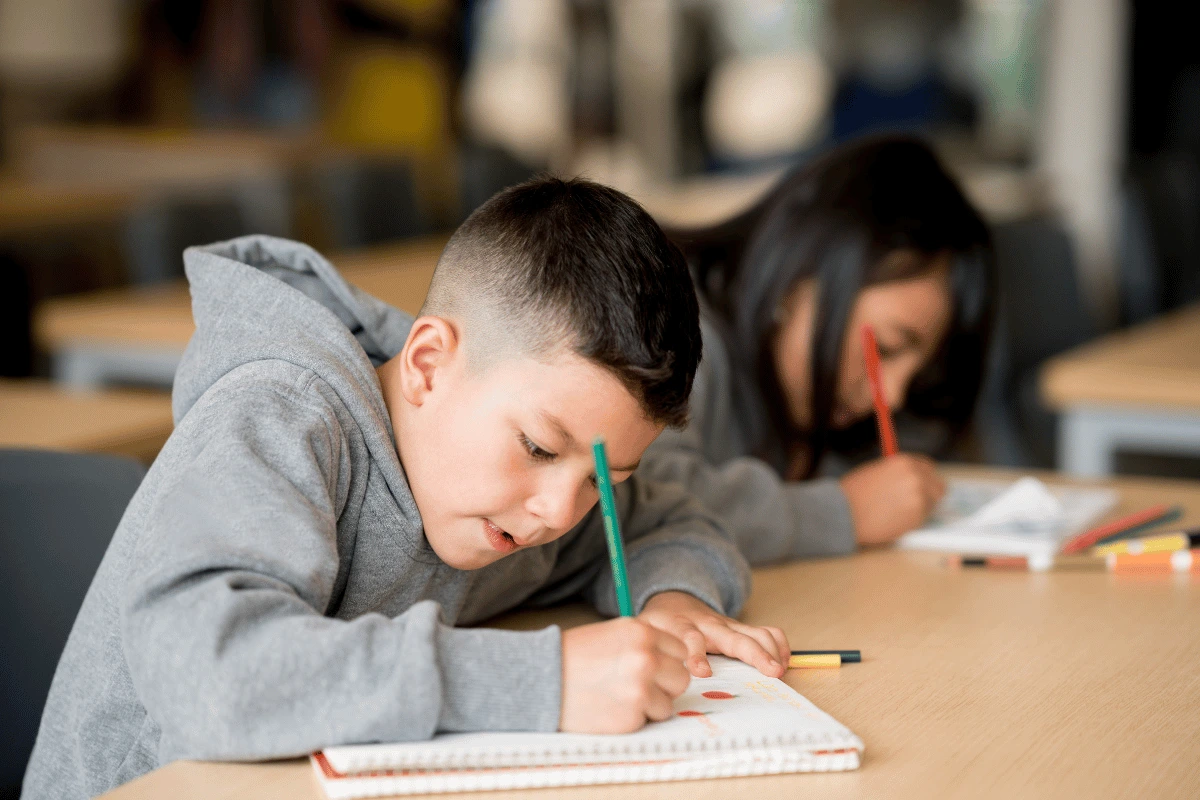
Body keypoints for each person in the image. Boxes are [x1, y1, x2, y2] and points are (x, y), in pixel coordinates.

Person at [23, 178, 790, 800]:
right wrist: (541, 681)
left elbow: (670, 519)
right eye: (538, 448)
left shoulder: (514, 495)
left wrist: (673, 599)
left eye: (602, 480)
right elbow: (209, 674)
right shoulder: (283, 419)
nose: (560, 512)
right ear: (426, 364)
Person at [643, 136, 995, 565]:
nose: (896, 391)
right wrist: (842, 512)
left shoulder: (813, 405)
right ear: (797, 280)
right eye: (885, 348)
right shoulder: (668, 327)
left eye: (918, 369)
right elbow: (638, 504)